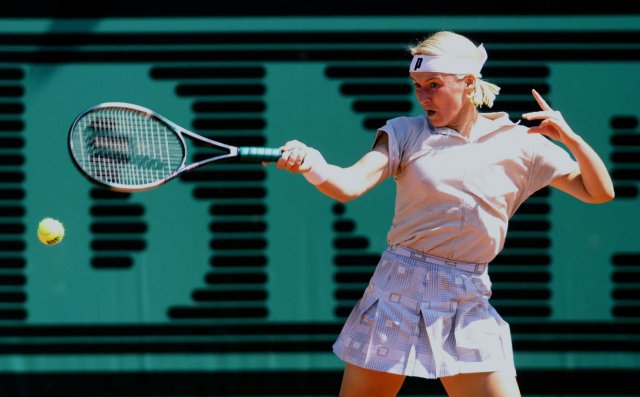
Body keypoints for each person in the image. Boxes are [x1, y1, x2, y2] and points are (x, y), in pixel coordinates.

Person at [270, 31, 615, 397]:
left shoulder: (523, 144)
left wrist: (573, 140)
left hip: (467, 297)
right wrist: (313, 165)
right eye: (417, 85)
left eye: (433, 84)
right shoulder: (405, 133)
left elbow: (599, 192)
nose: (423, 96)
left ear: (468, 83)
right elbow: (348, 185)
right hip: (396, 291)